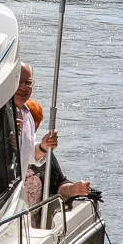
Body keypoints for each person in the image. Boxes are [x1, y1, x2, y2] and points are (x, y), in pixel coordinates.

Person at [13, 63, 90, 202]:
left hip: (18, 202)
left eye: (28, 82)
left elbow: (29, 155)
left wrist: (43, 146)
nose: (24, 87)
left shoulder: (26, 115)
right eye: (19, 81)